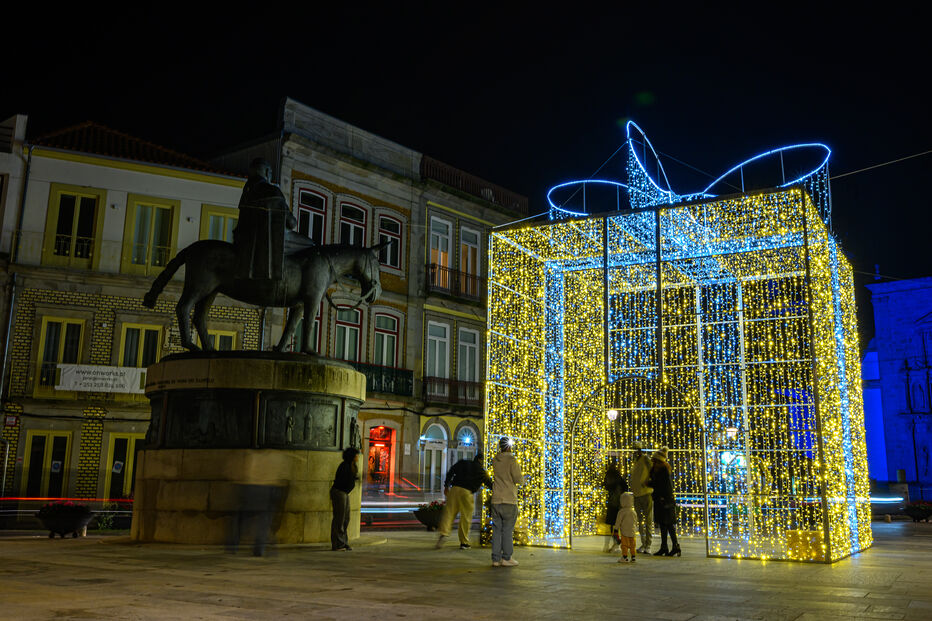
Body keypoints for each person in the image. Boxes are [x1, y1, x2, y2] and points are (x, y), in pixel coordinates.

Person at [435, 453, 493, 549]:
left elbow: (451, 471)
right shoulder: (481, 471)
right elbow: (489, 484)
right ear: (481, 461)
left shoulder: (463, 462)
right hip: (467, 492)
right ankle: (464, 542)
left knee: (449, 512)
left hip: (455, 488)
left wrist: (446, 486)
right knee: (466, 517)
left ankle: (443, 533)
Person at [490, 436, 523, 567]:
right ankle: (506, 557)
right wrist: (523, 479)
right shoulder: (512, 461)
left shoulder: (495, 460)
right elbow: (518, 479)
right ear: (509, 446)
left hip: (496, 499)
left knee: (497, 530)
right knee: (507, 530)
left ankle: (495, 559)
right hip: (509, 499)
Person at [648, 446, 681, 557]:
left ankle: (674, 546)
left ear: (658, 461)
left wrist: (649, 484)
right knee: (663, 524)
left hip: (665, 501)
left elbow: (662, 486)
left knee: (668, 524)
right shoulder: (657, 470)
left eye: (654, 460)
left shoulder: (662, 471)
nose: (652, 461)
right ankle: (665, 547)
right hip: (661, 500)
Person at [330, 447, 360, 551]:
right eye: (356, 455)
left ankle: (343, 541)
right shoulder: (344, 466)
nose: (358, 457)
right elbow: (342, 480)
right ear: (352, 456)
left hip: (345, 493)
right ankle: (338, 543)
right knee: (339, 518)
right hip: (339, 492)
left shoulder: (352, 466)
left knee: (346, 518)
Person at [630, 442, 654, 554]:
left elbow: (653, 472)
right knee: (640, 521)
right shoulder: (636, 462)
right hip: (637, 494)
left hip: (645, 493)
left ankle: (648, 544)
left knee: (648, 520)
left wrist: (648, 483)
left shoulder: (645, 460)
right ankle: (644, 544)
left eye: (636, 450)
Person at [601, 460, 628, 552]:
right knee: (618, 524)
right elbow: (625, 486)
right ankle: (617, 542)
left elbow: (606, 486)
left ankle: (612, 543)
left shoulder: (608, 477)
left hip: (612, 502)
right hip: (619, 502)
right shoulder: (618, 476)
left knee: (611, 524)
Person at [614, 491, 638, 563]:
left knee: (624, 545)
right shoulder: (633, 512)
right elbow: (635, 521)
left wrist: (616, 529)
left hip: (624, 532)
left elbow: (618, 521)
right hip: (632, 531)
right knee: (632, 545)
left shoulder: (622, 512)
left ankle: (624, 557)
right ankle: (633, 557)